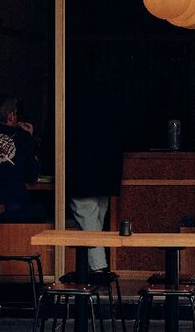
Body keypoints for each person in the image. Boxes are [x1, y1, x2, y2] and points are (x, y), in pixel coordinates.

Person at [66, 78, 123, 272]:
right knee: (97, 219)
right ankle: (96, 268)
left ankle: (99, 269)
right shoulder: (109, 111)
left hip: (82, 177)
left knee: (89, 221)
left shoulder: (72, 112)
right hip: (104, 176)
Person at [0, 95, 44, 223]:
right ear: (11, 116)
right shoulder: (22, 137)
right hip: (15, 209)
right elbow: (32, 176)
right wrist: (31, 138)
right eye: (16, 113)